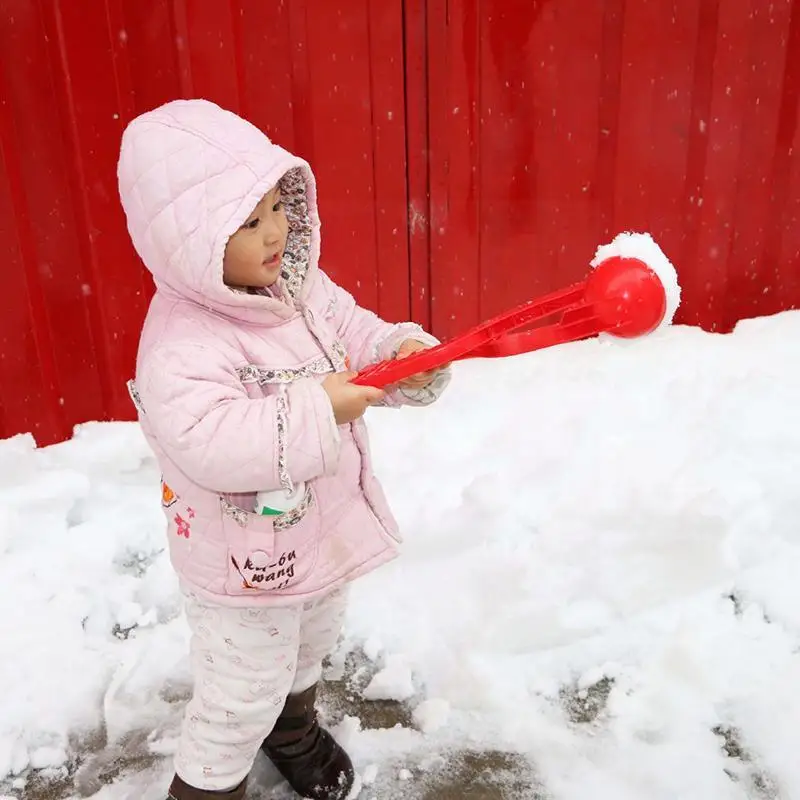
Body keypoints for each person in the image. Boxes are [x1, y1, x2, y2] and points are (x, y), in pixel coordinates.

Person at [117, 98, 450, 800]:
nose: (275, 232)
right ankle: (208, 787)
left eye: (276, 206)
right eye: (246, 222)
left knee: (309, 645)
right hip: (241, 566)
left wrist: (399, 354)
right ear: (188, 240)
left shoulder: (294, 287)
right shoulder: (182, 343)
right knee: (240, 692)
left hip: (316, 532)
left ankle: (292, 729)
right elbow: (209, 443)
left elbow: (351, 331)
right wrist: (317, 407)